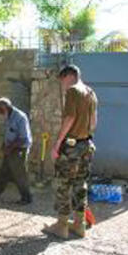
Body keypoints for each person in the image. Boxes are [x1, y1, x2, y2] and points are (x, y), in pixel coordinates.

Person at [43, 65, 97, 239]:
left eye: (62, 80)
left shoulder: (74, 91)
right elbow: (94, 122)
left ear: (70, 76)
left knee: (64, 185)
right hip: (86, 144)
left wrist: (58, 143)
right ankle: (79, 225)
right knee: (81, 184)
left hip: (72, 147)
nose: (62, 85)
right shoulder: (91, 92)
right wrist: (86, 136)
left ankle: (62, 225)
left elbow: (70, 117)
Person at [0, 98, 33, 205]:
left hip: (19, 149)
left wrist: (9, 148)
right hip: (10, 148)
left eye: (0, 110)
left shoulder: (20, 117)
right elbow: (9, 133)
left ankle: (26, 198)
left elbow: (24, 138)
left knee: (20, 174)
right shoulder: (8, 116)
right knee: (3, 173)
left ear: (6, 107)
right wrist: (4, 145)